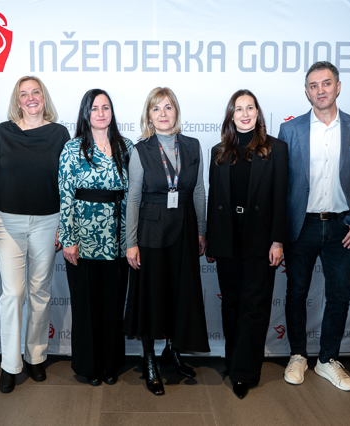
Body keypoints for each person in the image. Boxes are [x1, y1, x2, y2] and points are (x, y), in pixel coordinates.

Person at [278, 61, 350, 391]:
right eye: (313, 85)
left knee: (339, 295)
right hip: (301, 225)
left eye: (326, 83)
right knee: (296, 292)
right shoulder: (290, 130)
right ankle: (298, 355)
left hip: (343, 226)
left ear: (338, 87)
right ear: (306, 92)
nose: (320, 90)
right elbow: (282, 184)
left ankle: (328, 359)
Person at [0, 76, 70, 393]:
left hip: (49, 220)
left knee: (40, 291)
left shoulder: (59, 133)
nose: (31, 98)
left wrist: (64, 223)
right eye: (24, 94)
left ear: (44, 97)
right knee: (13, 294)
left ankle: (35, 357)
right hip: (8, 221)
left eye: (36, 92)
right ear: (17, 100)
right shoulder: (3, 132)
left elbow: (66, 182)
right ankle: (10, 364)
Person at [124, 87, 210, 396]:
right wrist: (130, 242)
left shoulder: (192, 146)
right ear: (148, 115)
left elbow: (198, 190)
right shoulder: (141, 150)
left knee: (180, 293)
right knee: (151, 296)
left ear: (176, 112)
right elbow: (133, 199)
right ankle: (149, 359)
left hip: (185, 230)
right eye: (156, 108)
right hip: (150, 234)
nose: (163, 113)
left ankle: (172, 351)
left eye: (168, 107)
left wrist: (201, 231)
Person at [205, 89, 288, 399]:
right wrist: (211, 240)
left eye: (249, 107)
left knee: (254, 306)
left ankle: (245, 371)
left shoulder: (275, 149)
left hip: (260, 239)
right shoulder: (218, 151)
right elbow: (214, 198)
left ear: (257, 113)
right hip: (227, 238)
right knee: (231, 304)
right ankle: (233, 361)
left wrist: (277, 240)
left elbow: (281, 198)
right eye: (238, 109)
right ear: (231, 115)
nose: (244, 113)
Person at [58, 89, 133, 386]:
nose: (101, 113)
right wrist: (68, 238)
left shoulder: (127, 147)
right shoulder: (72, 148)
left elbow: (133, 196)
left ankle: (110, 364)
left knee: (113, 304)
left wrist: (131, 240)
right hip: (83, 239)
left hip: (118, 240)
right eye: (94, 108)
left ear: (112, 112)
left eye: (106, 107)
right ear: (85, 113)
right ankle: (89, 366)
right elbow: (65, 196)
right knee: (86, 307)